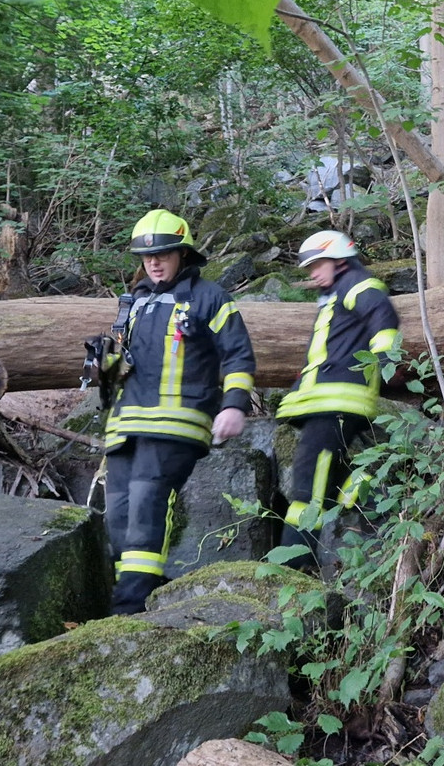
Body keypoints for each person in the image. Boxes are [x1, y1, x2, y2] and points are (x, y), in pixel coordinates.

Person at [100, 209, 255, 615]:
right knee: (116, 515)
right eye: (147, 256)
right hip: (125, 426)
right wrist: (105, 362)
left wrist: (235, 406)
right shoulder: (133, 303)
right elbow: (123, 367)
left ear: (183, 254)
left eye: (164, 254)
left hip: (176, 425)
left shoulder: (209, 298)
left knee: (146, 507)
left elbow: (238, 355)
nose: (153, 262)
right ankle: (149, 593)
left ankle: (129, 610)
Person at [274, 230, 400, 571]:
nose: (312, 273)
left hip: (338, 402)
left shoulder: (357, 285)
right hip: (329, 402)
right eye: (309, 267)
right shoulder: (335, 295)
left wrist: (385, 357)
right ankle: (380, 505)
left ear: (340, 258)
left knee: (307, 489)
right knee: (333, 477)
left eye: (318, 264)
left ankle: (293, 569)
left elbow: (383, 318)